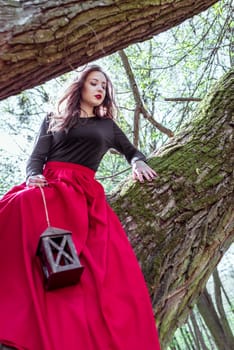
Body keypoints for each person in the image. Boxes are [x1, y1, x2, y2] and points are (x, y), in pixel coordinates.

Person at [0, 65, 161, 350]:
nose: (100, 88)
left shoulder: (108, 127)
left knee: (98, 267)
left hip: (83, 194)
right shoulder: (54, 117)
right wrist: (31, 177)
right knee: (18, 206)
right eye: (94, 82)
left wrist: (137, 162)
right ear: (81, 86)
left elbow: (131, 151)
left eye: (104, 86)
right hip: (48, 186)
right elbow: (36, 157)